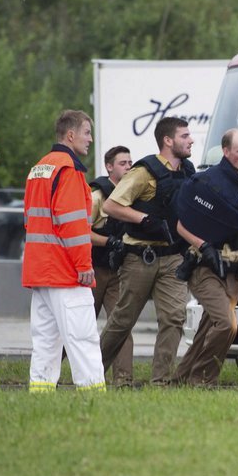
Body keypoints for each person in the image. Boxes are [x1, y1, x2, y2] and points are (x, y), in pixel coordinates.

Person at [99, 117, 195, 385]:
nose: (191, 140)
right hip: (140, 257)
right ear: (168, 140)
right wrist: (144, 219)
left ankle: (160, 383)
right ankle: (92, 375)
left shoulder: (188, 171)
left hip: (173, 257)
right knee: (122, 321)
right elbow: (111, 206)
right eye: (185, 135)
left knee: (174, 319)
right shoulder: (144, 171)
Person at [173, 129, 238, 386]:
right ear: (226, 151)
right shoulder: (206, 183)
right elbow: (181, 226)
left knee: (210, 326)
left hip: (234, 268)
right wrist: (202, 245)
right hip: (204, 264)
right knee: (227, 325)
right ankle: (202, 379)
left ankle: (181, 377)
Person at [22, 110, 106, 392]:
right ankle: (93, 396)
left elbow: (30, 219)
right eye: (87, 133)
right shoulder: (69, 170)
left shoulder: (39, 168)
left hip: (40, 270)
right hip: (66, 272)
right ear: (71, 135)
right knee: (83, 339)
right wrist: (84, 266)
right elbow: (72, 226)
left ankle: (40, 395)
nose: (90, 139)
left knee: (45, 342)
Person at [90, 145, 133, 385]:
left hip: (118, 273)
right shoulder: (96, 196)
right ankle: (49, 373)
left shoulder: (131, 195)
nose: (128, 167)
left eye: (130, 163)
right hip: (93, 272)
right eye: (122, 163)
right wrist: (109, 241)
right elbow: (81, 233)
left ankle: (123, 381)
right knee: (81, 328)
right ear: (109, 167)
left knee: (121, 325)